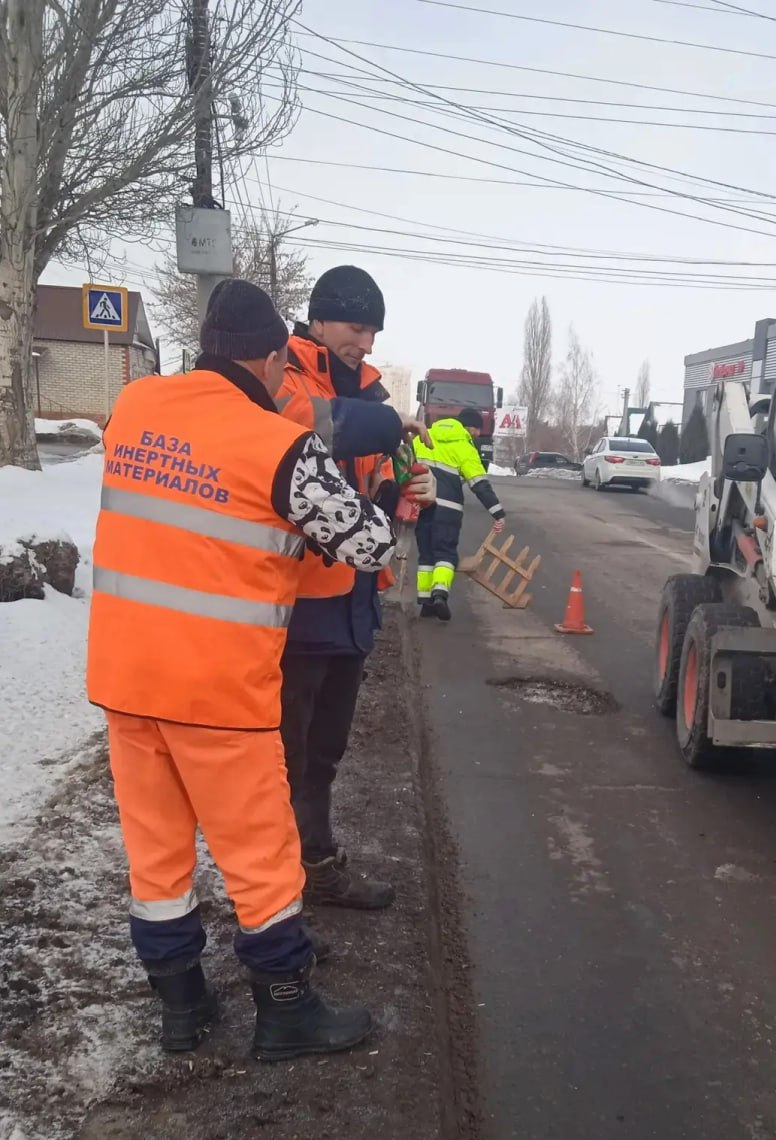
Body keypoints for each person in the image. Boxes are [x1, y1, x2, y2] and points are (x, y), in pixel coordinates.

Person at [86, 279, 397, 1061]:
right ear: (266, 360)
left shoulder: (135, 410)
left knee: (156, 854)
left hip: (126, 682)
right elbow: (369, 545)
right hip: (218, 693)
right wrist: (388, 500)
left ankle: (182, 1007)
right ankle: (285, 1008)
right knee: (261, 859)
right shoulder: (274, 443)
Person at [276, 265, 435, 911]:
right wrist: (390, 424)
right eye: (354, 326)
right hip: (296, 602)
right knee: (283, 760)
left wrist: (406, 495)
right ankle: (277, 898)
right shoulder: (280, 375)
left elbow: (386, 489)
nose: (365, 342)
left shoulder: (370, 396)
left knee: (325, 753)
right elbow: (306, 426)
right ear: (317, 320)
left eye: (372, 330)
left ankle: (315, 869)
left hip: (353, 603)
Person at [413, 408, 506, 621]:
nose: (476, 435)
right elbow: (479, 484)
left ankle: (426, 604)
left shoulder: (423, 437)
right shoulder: (464, 447)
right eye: (476, 430)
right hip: (448, 510)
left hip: (422, 506)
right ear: (468, 427)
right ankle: (440, 594)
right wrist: (497, 512)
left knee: (426, 554)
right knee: (445, 554)